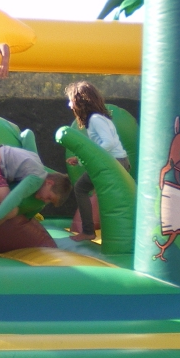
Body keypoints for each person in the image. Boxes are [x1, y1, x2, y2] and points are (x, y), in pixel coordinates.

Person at [64, 81, 129, 242]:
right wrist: (80, 160)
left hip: (113, 163)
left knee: (80, 188)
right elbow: (103, 146)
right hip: (118, 161)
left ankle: (88, 231)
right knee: (86, 189)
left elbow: (108, 143)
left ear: (80, 102)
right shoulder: (100, 118)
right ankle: (93, 230)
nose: (70, 105)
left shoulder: (95, 119)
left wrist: (91, 158)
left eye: (71, 101)